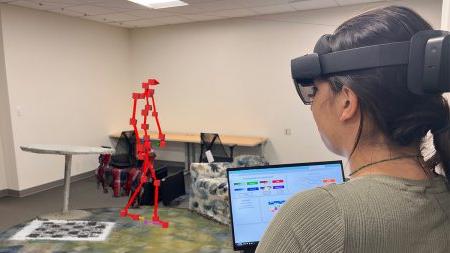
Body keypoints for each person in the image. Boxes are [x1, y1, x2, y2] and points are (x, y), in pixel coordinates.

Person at [256, 6, 450, 253]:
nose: (312, 105)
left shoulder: (314, 218)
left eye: (314, 91)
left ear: (346, 102)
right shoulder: (444, 195)